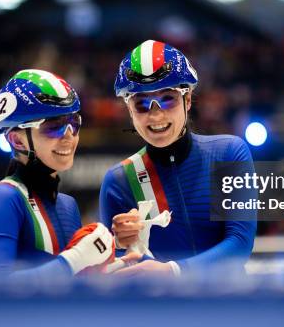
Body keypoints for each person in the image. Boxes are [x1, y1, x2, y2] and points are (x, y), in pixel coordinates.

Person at [99, 40, 257, 276]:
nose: (155, 115)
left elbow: (240, 244)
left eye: (167, 99)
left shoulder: (230, 153)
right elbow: (123, 273)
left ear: (188, 100)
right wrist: (125, 248)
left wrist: (174, 271)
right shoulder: (118, 181)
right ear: (129, 111)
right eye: (141, 104)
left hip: (229, 308)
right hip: (165, 311)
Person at [0, 69, 114, 280]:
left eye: (74, 124)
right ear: (17, 140)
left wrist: (123, 257)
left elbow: (73, 285)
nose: (69, 137)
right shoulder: (3, 200)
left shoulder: (68, 205)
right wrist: (74, 260)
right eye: (53, 127)